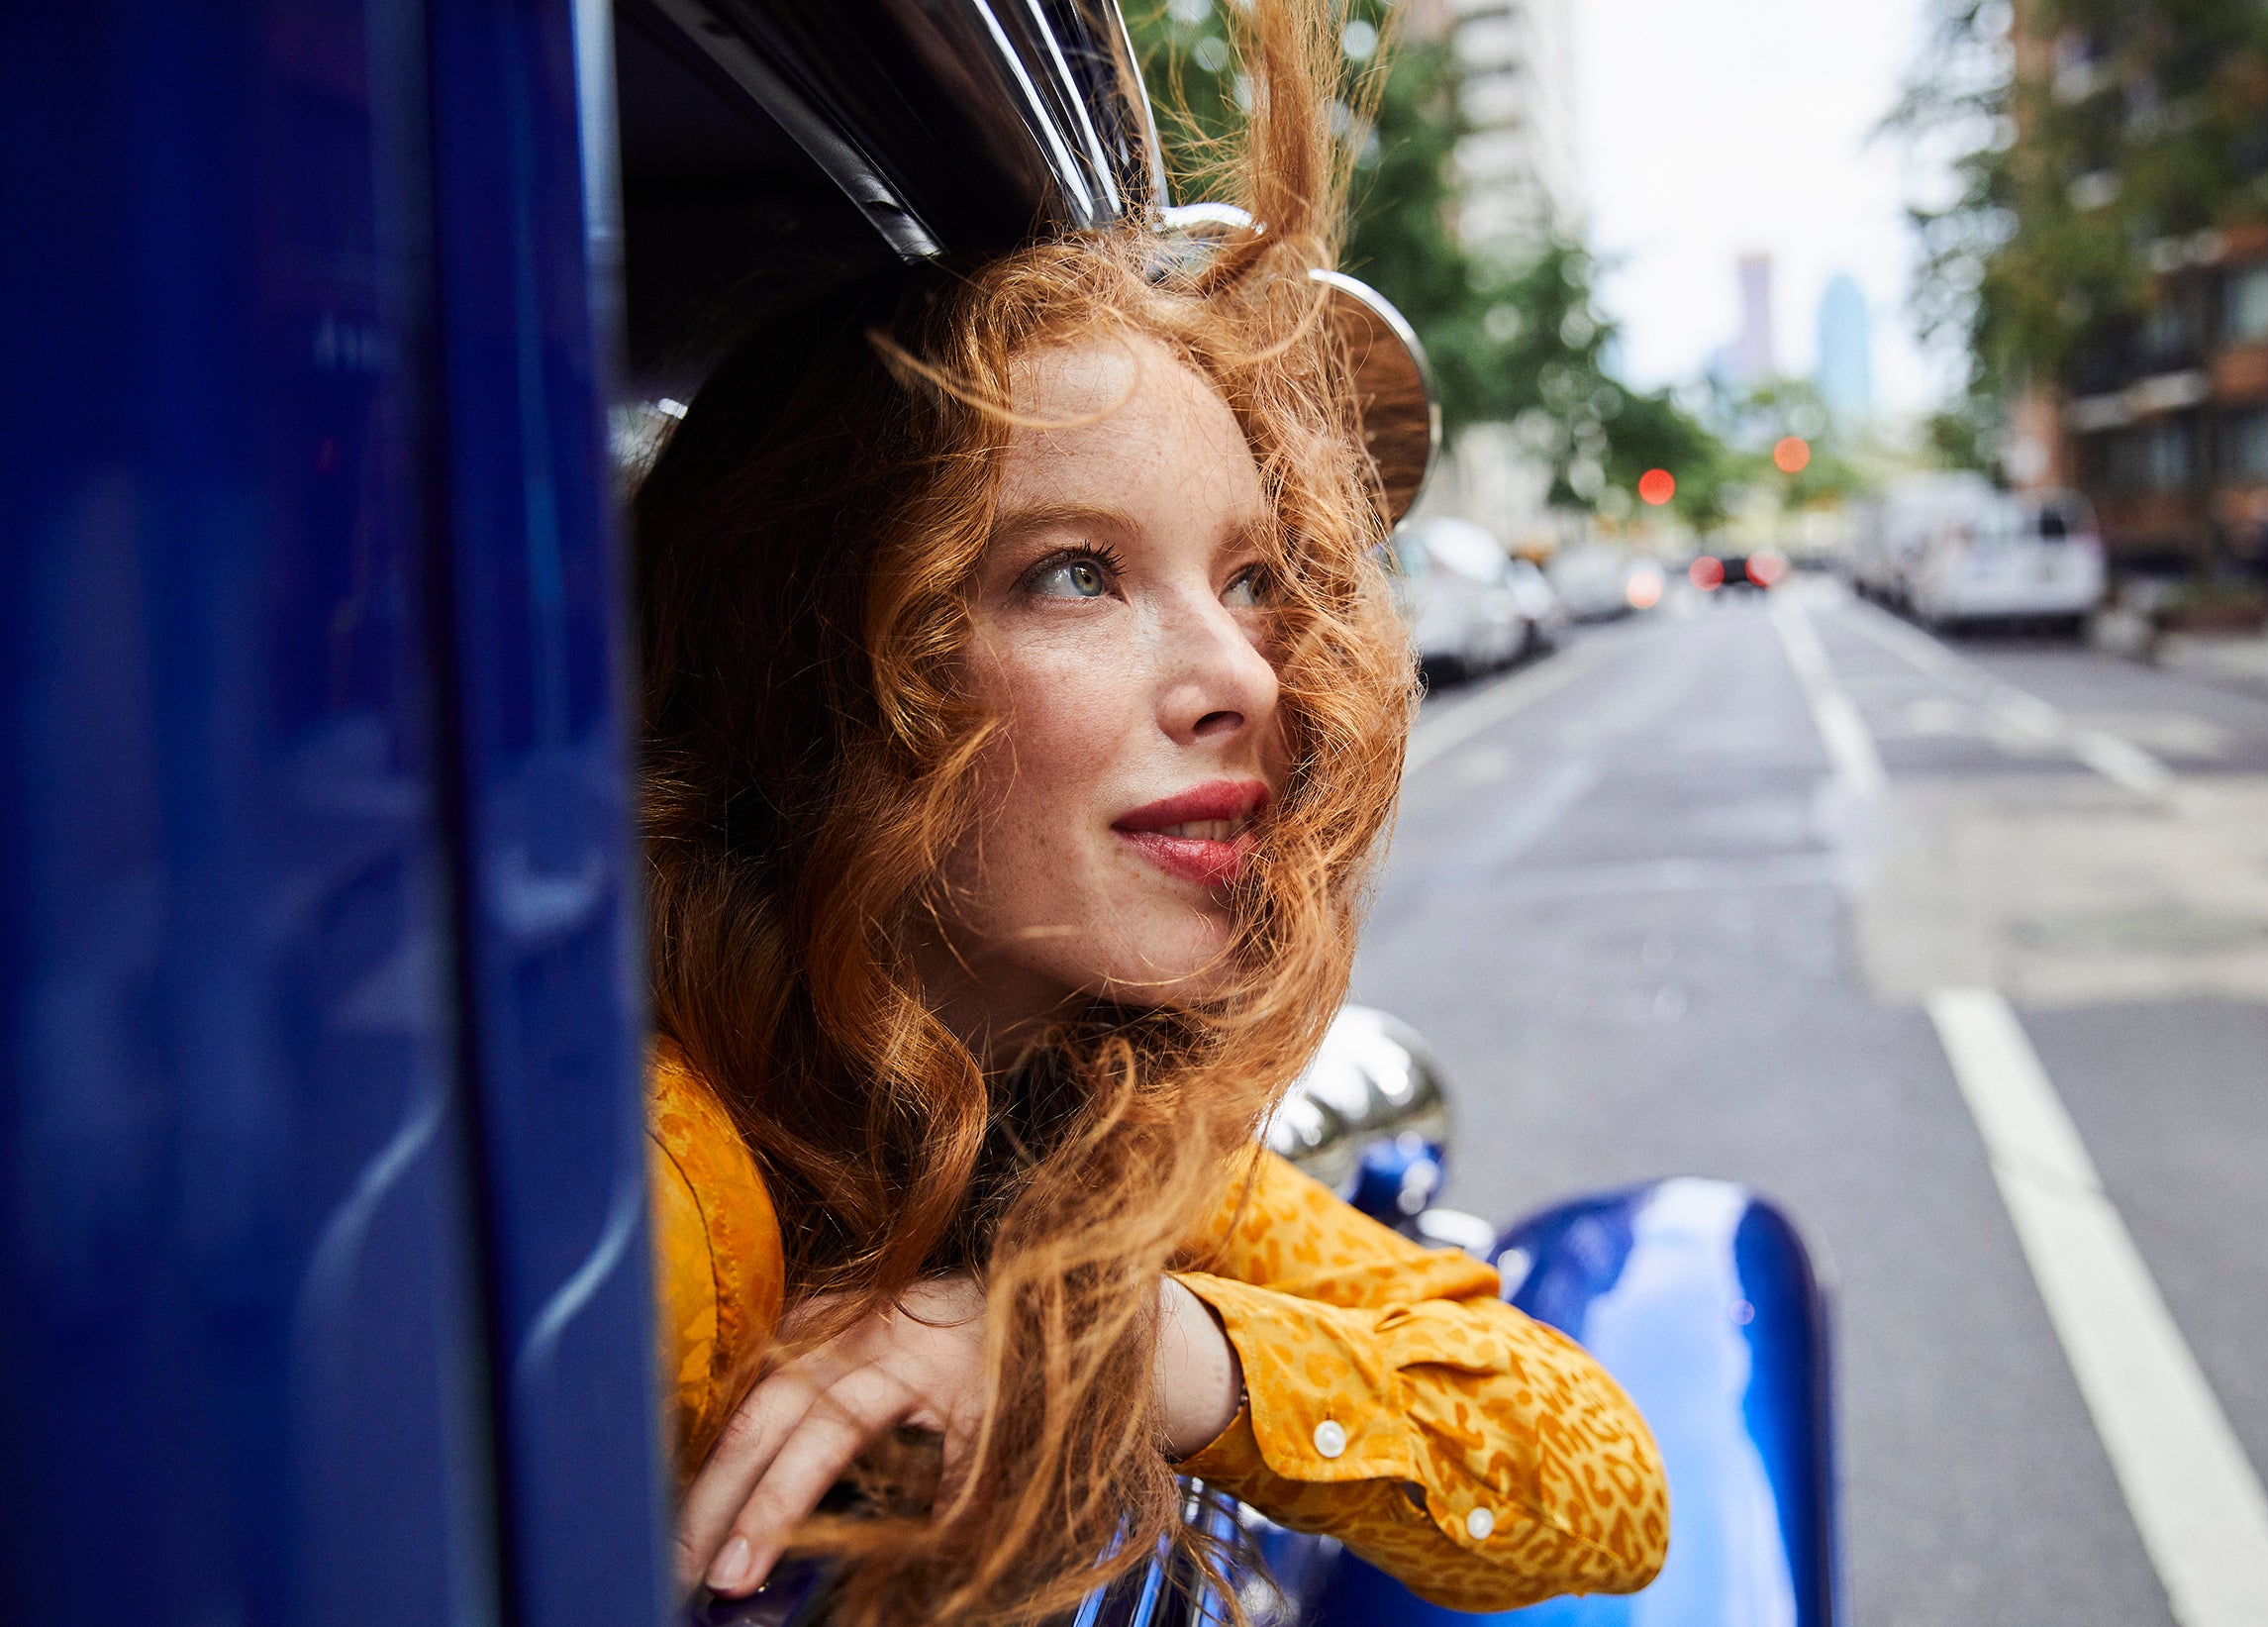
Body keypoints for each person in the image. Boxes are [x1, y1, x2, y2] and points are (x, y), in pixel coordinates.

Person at [630, 3, 1667, 1622]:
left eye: (1254, 582)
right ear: (818, 665)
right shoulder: (657, 1182)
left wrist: (1127, 1353)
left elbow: (1600, 1484)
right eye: (1072, 573)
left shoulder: (1092, 1127)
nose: (1246, 676)